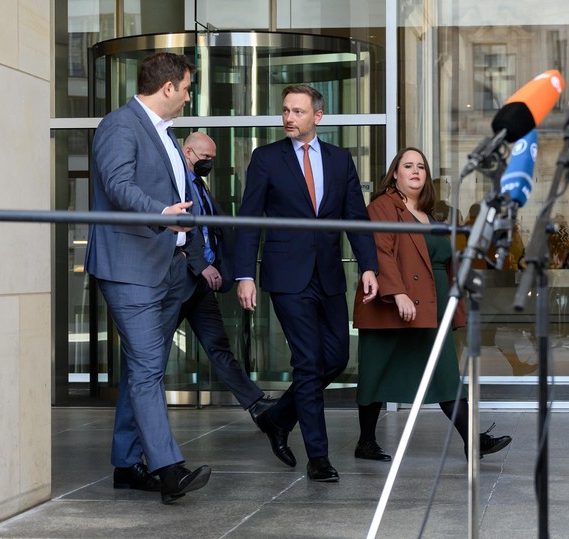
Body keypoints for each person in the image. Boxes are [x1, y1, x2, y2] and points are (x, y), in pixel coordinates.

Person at [233, 84, 379, 483]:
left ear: (318, 116)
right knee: (309, 363)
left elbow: (356, 218)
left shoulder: (338, 160)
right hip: (287, 276)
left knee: (334, 358)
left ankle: (278, 418)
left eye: (297, 111)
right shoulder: (266, 159)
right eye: (285, 111)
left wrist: (369, 266)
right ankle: (319, 457)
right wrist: (245, 274)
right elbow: (249, 221)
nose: (288, 118)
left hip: (329, 274)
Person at [84, 52, 211, 504]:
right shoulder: (120, 125)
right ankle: (168, 469)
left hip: (165, 267)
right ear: (168, 87)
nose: (189, 95)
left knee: (144, 368)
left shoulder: (166, 134)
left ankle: (127, 463)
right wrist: (160, 213)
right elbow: (117, 185)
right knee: (147, 367)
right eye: (188, 87)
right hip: (130, 266)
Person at [352, 147, 512, 461]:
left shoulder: (430, 213)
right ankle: (365, 442)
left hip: (432, 303)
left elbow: (444, 260)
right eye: (407, 166)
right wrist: (397, 293)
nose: (415, 171)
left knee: (444, 373)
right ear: (394, 174)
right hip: (393, 305)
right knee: (375, 370)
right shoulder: (383, 207)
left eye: (421, 167)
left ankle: (472, 440)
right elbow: (381, 252)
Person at [178, 131, 274, 421]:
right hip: (180, 282)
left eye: (212, 159)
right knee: (152, 357)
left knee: (218, 346)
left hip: (202, 285)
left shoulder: (200, 184)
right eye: (205, 158)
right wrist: (200, 264)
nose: (209, 163)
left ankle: (256, 404)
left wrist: (218, 264)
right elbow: (183, 228)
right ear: (188, 152)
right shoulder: (176, 181)